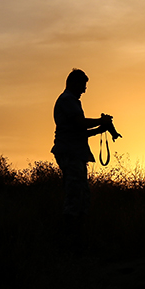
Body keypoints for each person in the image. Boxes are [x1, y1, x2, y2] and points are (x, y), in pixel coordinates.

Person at [50, 68, 113, 236]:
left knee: (82, 196)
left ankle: (78, 236)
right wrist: (102, 121)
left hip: (75, 153)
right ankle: (70, 238)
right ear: (73, 83)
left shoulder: (72, 101)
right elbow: (80, 124)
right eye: (83, 85)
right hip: (70, 154)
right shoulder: (67, 100)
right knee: (74, 197)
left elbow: (80, 131)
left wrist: (101, 128)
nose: (84, 89)